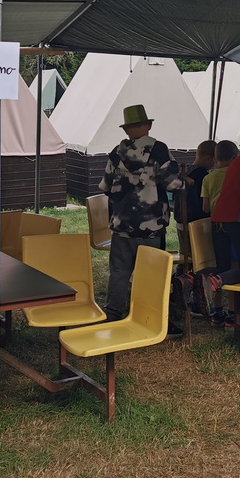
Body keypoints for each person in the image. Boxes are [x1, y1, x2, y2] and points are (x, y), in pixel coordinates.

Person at [98, 104, 183, 328]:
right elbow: (171, 183)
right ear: (148, 126)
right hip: (151, 225)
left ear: (127, 130)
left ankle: (113, 314)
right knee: (152, 273)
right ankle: (149, 316)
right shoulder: (159, 149)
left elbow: (105, 186)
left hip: (121, 225)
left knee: (119, 271)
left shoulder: (116, 153)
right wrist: (186, 183)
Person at [193, 128, 240, 327]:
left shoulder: (238, 162)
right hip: (239, 219)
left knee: (223, 266)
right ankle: (213, 283)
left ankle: (190, 279)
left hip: (218, 218)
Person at [174, 139, 216, 261]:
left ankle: (181, 272)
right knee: (200, 259)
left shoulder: (184, 173)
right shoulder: (203, 177)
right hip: (198, 223)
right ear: (208, 158)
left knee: (185, 257)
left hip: (181, 221)